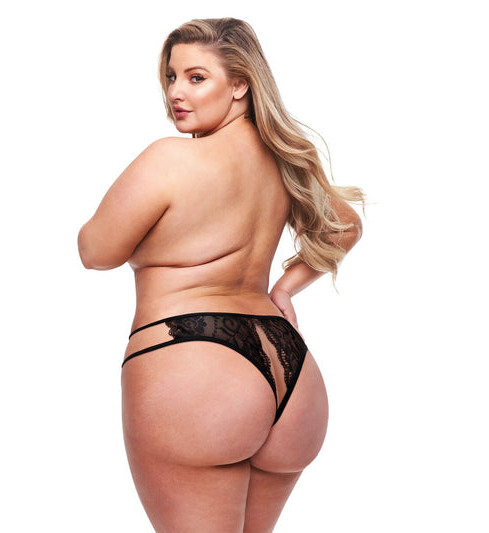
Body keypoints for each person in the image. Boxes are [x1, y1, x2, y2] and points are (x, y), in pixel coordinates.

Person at [78, 17, 364, 533]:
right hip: (290, 370)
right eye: (171, 77)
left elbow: (95, 251)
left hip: (192, 361)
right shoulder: (285, 161)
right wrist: (285, 288)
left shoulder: (169, 159)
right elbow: (345, 224)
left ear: (239, 85)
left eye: (196, 77)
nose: (176, 92)